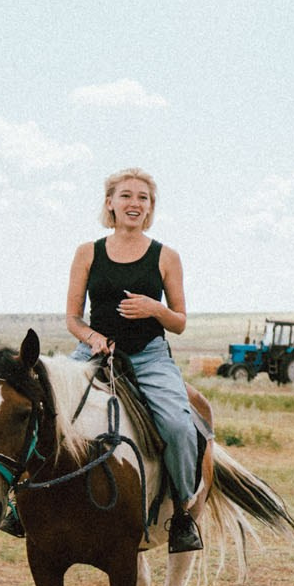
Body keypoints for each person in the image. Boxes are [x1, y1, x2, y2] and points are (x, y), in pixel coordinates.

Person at [63, 168, 207, 553]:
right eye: (126, 195)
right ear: (110, 202)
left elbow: (179, 322)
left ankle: (182, 514)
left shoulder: (166, 257)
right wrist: (93, 338)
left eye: (143, 198)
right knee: (48, 407)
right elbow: (73, 318)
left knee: (178, 425)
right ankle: (21, 502)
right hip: (95, 353)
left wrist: (154, 309)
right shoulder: (87, 252)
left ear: (150, 207)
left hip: (148, 357)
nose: (134, 203)